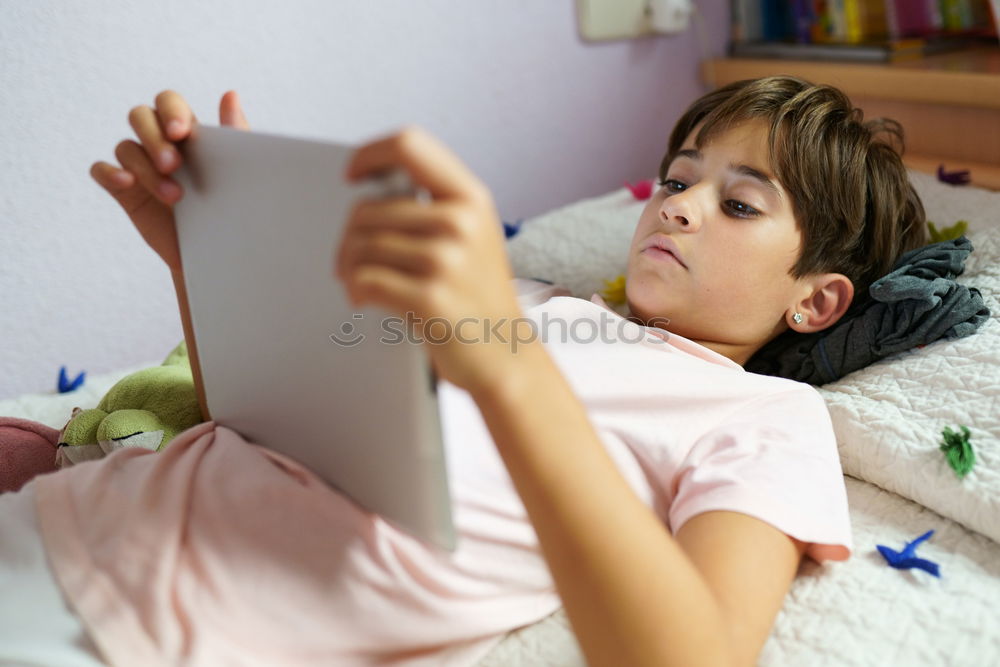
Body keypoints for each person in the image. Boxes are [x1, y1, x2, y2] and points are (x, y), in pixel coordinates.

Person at [0, 76, 926, 667]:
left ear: (815, 301)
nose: (680, 209)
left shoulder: (767, 416)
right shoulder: (522, 295)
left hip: (132, 627)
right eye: (678, 181)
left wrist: (507, 369)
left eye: (738, 203)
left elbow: (697, 653)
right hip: (65, 519)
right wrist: (199, 255)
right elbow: (261, 414)